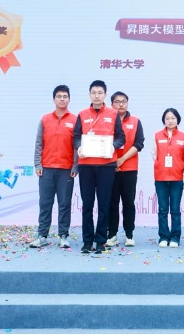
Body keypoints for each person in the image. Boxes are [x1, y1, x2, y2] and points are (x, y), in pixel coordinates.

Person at [73, 80, 125, 254]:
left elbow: (121, 137)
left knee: (104, 204)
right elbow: (75, 137)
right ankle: (87, 241)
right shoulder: (82, 114)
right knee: (87, 204)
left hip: (106, 166)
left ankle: (101, 240)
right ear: (89, 94)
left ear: (105, 95)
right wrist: (79, 147)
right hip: (86, 165)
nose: (97, 96)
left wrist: (112, 147)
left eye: (100, 93)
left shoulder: (113, 114)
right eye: (93, 93)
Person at [30, 85, 77, 249]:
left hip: (66, 170)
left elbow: (77, 146)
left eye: (65, 96)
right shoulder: (45, 119)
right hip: (47, 169)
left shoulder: (75, 120)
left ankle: (63, 236)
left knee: (64, 204)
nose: (62, 99)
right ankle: (42, 235)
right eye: (59, 96)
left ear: (69, 99)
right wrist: (38, 163)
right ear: (54, 99)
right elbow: (39, 143)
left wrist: (75, 166)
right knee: (45, 204)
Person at [106, 91, 145, 247]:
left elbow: (139, 143)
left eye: (124, 101)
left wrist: (122, 159)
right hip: (110, 168)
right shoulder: (107, 121)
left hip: (129, 168)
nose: (121, 104)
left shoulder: (135, 121)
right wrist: (113, 161)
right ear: (111, 104)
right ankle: (112, 234)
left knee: (128, 202)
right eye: (117, 101)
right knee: (112, 203)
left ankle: (129, 234)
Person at [152, 108, 184, 248]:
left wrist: (181, 169)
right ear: (164, 120)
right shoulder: (157, 136)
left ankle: (175, 237)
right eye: (167, 118)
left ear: (177, 119)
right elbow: (154, 154)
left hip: (176, 177)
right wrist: (160, 166)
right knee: (162, 209)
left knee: (175, 209)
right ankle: (163, 237)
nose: (170, 121)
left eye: (173, 118)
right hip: (160, 177)